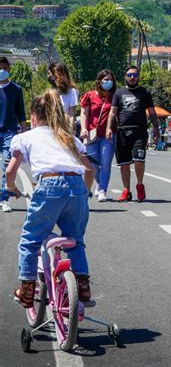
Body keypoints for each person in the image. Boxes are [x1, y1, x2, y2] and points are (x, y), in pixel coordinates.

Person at [6, 90, 95, 308]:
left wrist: (12, 188)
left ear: (33, 117)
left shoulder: (25, 137)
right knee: (75, 241)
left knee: (30, 241)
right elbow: (89, 169)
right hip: (76, 187)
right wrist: (85, 192)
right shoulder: (68, 138)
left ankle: (27, 290)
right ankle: (82, 285)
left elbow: (10, 171)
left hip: (49, 186)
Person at [106, 66, 159, 202]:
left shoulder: (145, 92)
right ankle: (126, 191)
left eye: (135, 75)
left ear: (138, 76)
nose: (132, 77)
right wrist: (109, 128)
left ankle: (140, 185)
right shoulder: (118, 93)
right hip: (122, 132)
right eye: (130, 75)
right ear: (125, 76)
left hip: (139, 131)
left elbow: (152, 112)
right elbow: (112, 112)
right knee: (124, 163)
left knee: (138, 160)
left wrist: (156, 129)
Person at [80, 69, 117, 202]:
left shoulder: (114, 96)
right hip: (91, 134)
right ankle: (99, 182)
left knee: (106, 163)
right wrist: (84, 128)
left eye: (111, 80)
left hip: (108, 135)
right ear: (99, 81)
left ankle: (103, 189)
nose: (108, 82)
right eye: (106, 79)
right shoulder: (89, 96)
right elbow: (84, 113)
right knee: (93, 164)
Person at [0, 57, 27, 212]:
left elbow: (20, 113)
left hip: (9, 131)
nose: (2, 71)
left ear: (9, 69)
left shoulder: (16, 89)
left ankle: (4, 199)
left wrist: (24, 132)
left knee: (7, 165)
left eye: (4, 67)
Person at [48, 62, 79, 131]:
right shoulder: (50, 92)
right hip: (52, 129)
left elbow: (71, 114)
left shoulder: (72, 92)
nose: (50, 77)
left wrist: (70, 131)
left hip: (65, 128)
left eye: (53, 75)